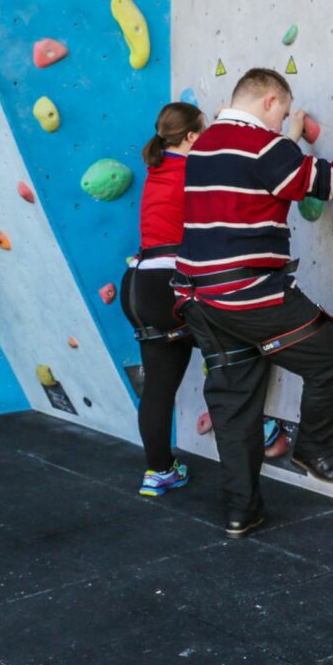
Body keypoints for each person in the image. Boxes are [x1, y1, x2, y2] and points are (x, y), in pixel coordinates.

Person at [175, 68, 333, 539]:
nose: (283, 125)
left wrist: (290, 143)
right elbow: (326, 184)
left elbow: (263, 177)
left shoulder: (206, 144)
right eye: (282, 114)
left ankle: (241, 511)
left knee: (235, 403)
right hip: (248, 293)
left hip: (198, 296)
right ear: (271, 100)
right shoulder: (264, 146)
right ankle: (314, 448)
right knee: (330, 358)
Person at [122, 102, 205, 497]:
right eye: (203, 133)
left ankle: (158, 472)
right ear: (190, 137)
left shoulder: (157, 169)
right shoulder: (194, 171)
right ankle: (258, 428)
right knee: (239, 352)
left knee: (158, 385)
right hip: (173, 283)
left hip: (139, 284)